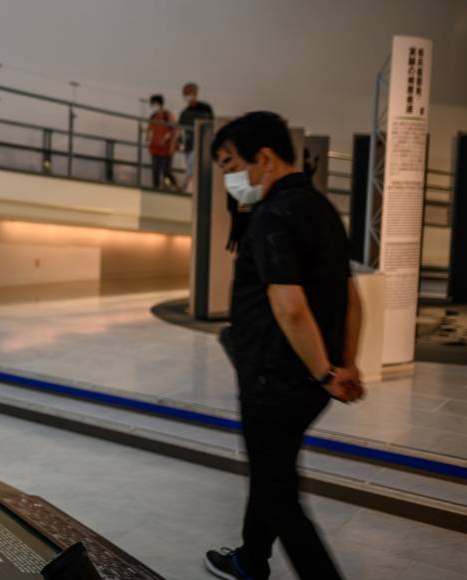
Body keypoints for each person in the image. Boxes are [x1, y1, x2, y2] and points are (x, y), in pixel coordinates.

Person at [203, 112, 365, 580]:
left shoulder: (274, 215)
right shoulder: (321, 208)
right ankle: (252, 560)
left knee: (277, 492)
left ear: (265, 157)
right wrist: (343, 365)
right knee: (272, 471)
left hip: (275, 380)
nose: (230, 176)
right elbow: (351, 298)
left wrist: (324, 371)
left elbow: (289, 305)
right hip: (307, 380)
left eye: (231, 162)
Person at [179, 82, 214, 192]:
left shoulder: (205, 109)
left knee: (193, 168)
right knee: (191, 168)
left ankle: (184, 187)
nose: (189, 96)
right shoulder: (184, 113)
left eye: (191, 93)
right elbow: (180, 130)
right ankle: (188, 189)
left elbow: (212, 124)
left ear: (196, 93)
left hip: (202, 144)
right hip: (189, 146)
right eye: (187, 94)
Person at [146, 94, 178, 190]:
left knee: (166, 171)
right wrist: (148, 140)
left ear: (160, 104)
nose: (153, 106)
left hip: (166, 149)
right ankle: (155, 188)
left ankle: (170, 186)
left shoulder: (167, 115)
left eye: (154, 104)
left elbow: (174, 129)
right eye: (152, 104)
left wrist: (170, 143)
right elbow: (149, 131)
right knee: (155, 170)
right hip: (155, 148)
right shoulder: (153, 117)